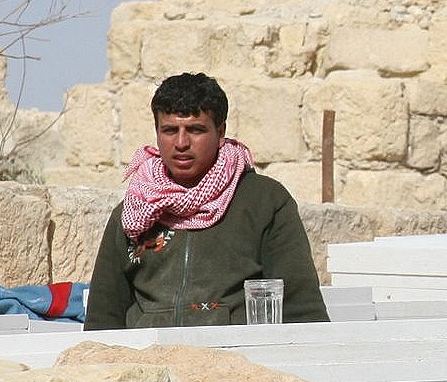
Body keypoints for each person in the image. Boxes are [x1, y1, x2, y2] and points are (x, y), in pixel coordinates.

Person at [86, 72, 328, 329]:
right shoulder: (135, 211)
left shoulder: (264, 202)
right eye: (169, 130)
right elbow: (104, 315)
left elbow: (301, 307)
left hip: (236, 360)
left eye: (195, 130)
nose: (181, 143)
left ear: (220, 132)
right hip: (149, 361)